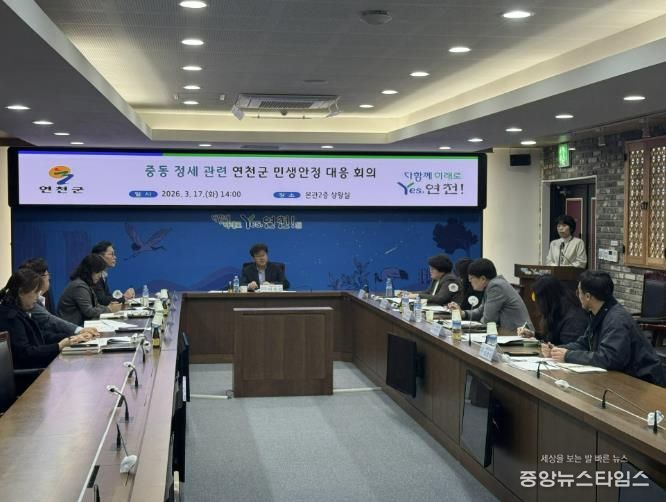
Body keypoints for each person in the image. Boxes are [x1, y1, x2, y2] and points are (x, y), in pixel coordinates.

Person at [543, 271, 666, 386]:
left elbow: (608, 359)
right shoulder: (599, 312)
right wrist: (558, 350)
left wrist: (568, 356)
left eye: (578, 292)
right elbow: (585, 343)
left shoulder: (617, 320)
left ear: (588, 296)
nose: (578, 296)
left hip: (644, 382)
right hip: (624, 376)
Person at [0, 269, 93, 369]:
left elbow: (42, 336)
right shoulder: (11, 317)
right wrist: (58, 346)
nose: (37, 297)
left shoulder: (19, 311)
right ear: (21, 292)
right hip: (32, 374)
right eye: (35, 292)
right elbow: (25, 353)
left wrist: (72, 338)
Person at [19, 257, 99, 342]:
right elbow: (49, 319)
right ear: (38, 278)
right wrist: (79, 331)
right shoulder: (29, 301)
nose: (49, 278)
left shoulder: (45, 294)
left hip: (55, 336)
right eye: (47, 275)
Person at [448, 258, 533, 333]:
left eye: (471, 278)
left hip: (519, 334)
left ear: (483, 279)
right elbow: (481, 311)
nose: (470, 281)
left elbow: (488, 320)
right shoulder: (492, 285)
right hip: (508, 332)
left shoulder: (496, 287)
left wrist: (467, 328)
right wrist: (462, 313)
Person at [516, 275, 587, 345]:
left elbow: (568, 348)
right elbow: (553, 338)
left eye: (535, 298)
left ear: (544, 299)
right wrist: (533, 334)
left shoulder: (573, 319)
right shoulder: (557, 309)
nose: (536, 303)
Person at [58, 254, 122, 325]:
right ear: (89, 271)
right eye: (98, 272)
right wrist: (109, 309)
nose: (100, 276)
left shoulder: (85, 284)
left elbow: (95, 305)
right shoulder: (79, 286)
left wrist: (109, 307)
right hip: (73, 328)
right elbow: (89, 311)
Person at [91, 241, 135, 305]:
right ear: (100, 257)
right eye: (111, 254)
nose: (115, 257)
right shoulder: (94, 275)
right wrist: (124, 297)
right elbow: (102, 300)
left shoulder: (103, 274)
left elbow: (107, 297)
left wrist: (123, 296)